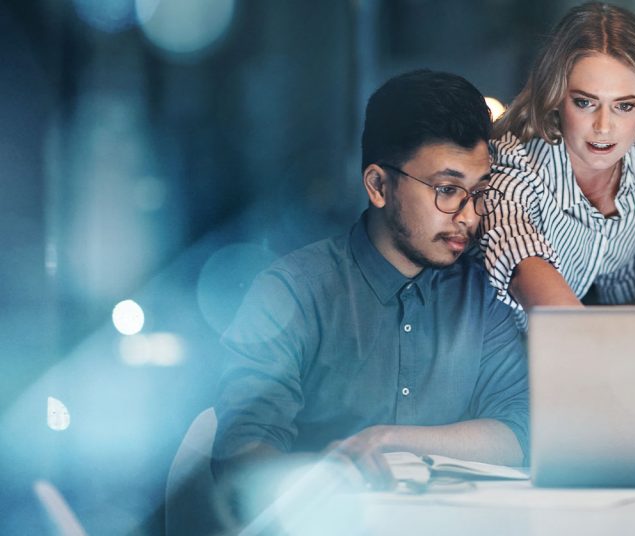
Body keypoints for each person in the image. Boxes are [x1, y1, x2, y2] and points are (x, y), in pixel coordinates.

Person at [212, 70, 529, 498]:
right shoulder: (293, 293)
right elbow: (241, 455)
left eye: (478, 192)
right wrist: (326, 477)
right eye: (447, 189)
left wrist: (388, 441)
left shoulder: (482, 294)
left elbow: (519, 431)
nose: (469, 216)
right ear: (378, 185)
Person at [481, 2, 635, 325]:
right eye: (585, 102)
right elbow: (519, 261)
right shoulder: (515, 165)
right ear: (557, 96)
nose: (603, 126)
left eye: (624, 106)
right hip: (492, 356)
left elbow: (622, 279)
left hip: (573, 348)